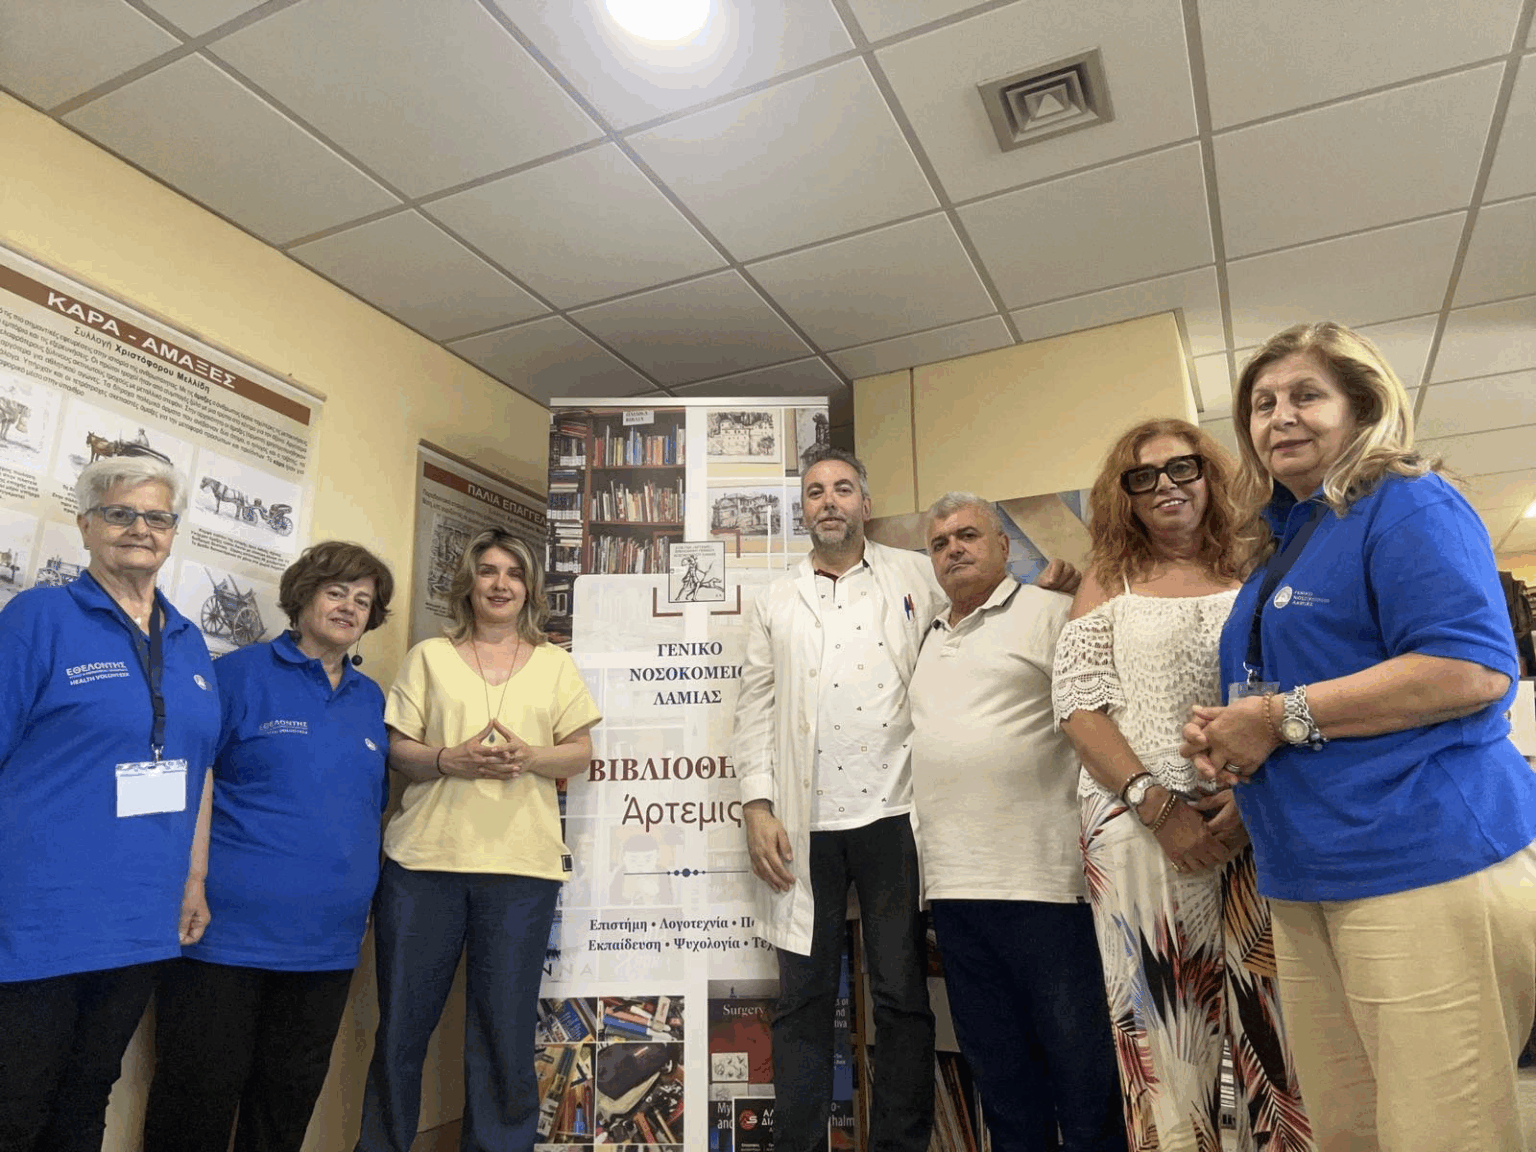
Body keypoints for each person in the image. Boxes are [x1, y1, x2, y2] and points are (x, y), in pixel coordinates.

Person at [1180, 322, 1536, 1152]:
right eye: (1262, 403)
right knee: (1348, 1130)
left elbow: (1470, 669)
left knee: (1442, 1134)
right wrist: (1233, 740)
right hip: (1306, 876)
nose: (1280, 417)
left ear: (1363, 407)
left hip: (1418, 863)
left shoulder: (1407, 501)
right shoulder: (1286, 539)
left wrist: (1273, 718)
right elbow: (1291, 689)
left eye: (1306, 395)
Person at [734, 447, 1078, 1152]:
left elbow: (981, 612)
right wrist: (757, 806)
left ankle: (900, 1144)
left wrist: (1040, 590)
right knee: (803, 998)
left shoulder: (916, 572)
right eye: (815, 492)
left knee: (899, 993)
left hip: (894, 816)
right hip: (804, 824)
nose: (829, 501)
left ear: (864, 503)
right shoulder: (774, 600)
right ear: (803, 510)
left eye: (842, 489)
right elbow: (755, 707)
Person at [1052, 419, 1313, 1152]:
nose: (1165, 485)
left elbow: (1295, 688)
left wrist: (1251, 798)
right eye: (1142, 476)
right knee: (1165, 1033)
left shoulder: (1261, 566)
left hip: (1257, 818)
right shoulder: (1109, 579)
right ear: (1124, 497)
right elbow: (1077, 705)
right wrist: (1158, 805)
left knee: (1276, 1027)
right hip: (1139, 826)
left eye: (1182, 467)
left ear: (1211, 475)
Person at [143, 541, 395, 1152]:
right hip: (224, 935)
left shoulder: (371, 699)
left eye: (364, 600)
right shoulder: (238, 673)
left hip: (328, 945)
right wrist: (190, 883)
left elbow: (367, 808)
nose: (350, 607)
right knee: (195, 1102)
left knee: (285, 1107)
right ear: (303, 596)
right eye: (336, 592)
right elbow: (190, 779)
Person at [0, 458, 221, 1152]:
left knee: (87, 1094)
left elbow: (199, 770)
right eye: (120, 513)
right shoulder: (39, 617)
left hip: (140, 915)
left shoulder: (189, 642)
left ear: (173, 532)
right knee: (14, 1103)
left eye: (157, 517)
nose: (139, 529)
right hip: (38, 914)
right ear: (86, 525)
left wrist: (194, 879)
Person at [355, 528, 600, 1152]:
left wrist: (531, 756)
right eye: (488, 571)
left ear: (529, 589)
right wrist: (448, 759)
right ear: (469, 583)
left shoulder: (554, 663)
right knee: (402, 1030)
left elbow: (580, 753)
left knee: (503, 1034)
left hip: (521, 871)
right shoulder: (429, 657)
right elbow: (398, 748)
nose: (500, 584)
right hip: (423, 866)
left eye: (514, 574)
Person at [908, 493, 1123, 1152]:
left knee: (1082, 1078)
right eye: (940, 543)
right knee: (1002, 1083)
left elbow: (1108, 718)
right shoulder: (928, 636)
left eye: (968, 535)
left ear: (1004, 546)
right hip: (954, 892)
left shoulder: (1052, 614)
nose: (954, 549)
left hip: (1044, 887)